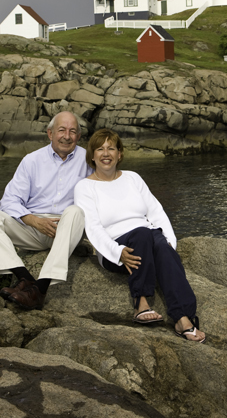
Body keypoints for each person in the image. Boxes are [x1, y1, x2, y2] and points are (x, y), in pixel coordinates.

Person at [74, 128, 205, 343]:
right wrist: (117, 252)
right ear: (92, 156)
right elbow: (93, 228)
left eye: (111, 148)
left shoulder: (133, 178)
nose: (106, 153)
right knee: (144, 234)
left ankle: (182, 318)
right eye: (100, 149)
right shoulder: (84, 187)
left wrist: (170, 243)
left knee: (160, 245)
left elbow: (156, 211)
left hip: (148, 239)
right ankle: (141, 302)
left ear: (119, 154)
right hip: (116, 248)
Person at [0, 111, 93, 310]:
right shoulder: (32, 160)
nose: (67, 136)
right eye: (61, 130)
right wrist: (33, 220)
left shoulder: (88, 160)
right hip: (32, 228)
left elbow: (103, 194)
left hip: (67, 229)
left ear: (78, 136)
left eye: (72, 131)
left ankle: (40, 289)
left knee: (75, 211)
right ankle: (24, 277)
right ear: (50, 133)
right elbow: (9, 200)